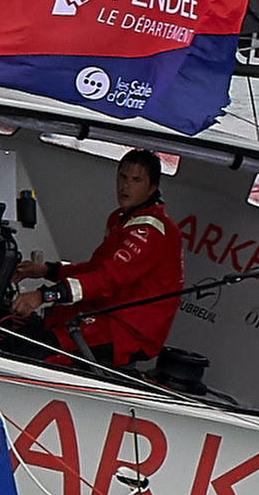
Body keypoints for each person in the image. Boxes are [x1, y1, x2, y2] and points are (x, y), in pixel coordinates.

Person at [22, 150, 184, 369]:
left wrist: (45, 295)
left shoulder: (150, 230)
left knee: (33, 353)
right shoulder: (121, 218)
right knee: (26, 331)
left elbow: (107, 279)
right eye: (123, 177)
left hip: (128, 330)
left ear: (152, 188)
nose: (125, 186)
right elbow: (95, 270)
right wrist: (47, 271)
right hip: (105, 314)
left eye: (136, 180)